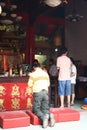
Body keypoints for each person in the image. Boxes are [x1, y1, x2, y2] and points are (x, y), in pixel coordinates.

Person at [28, 62, 55, 128]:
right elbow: (48, 84)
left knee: (36, 109)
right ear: (39, 66)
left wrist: (30, 75)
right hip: (45, 92)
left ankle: (43, 118)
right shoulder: (45, 73)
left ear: (34, 67)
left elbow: (29, 84)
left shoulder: (33, 74)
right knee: (45, 108)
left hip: (38, 92)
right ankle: (50, 115)